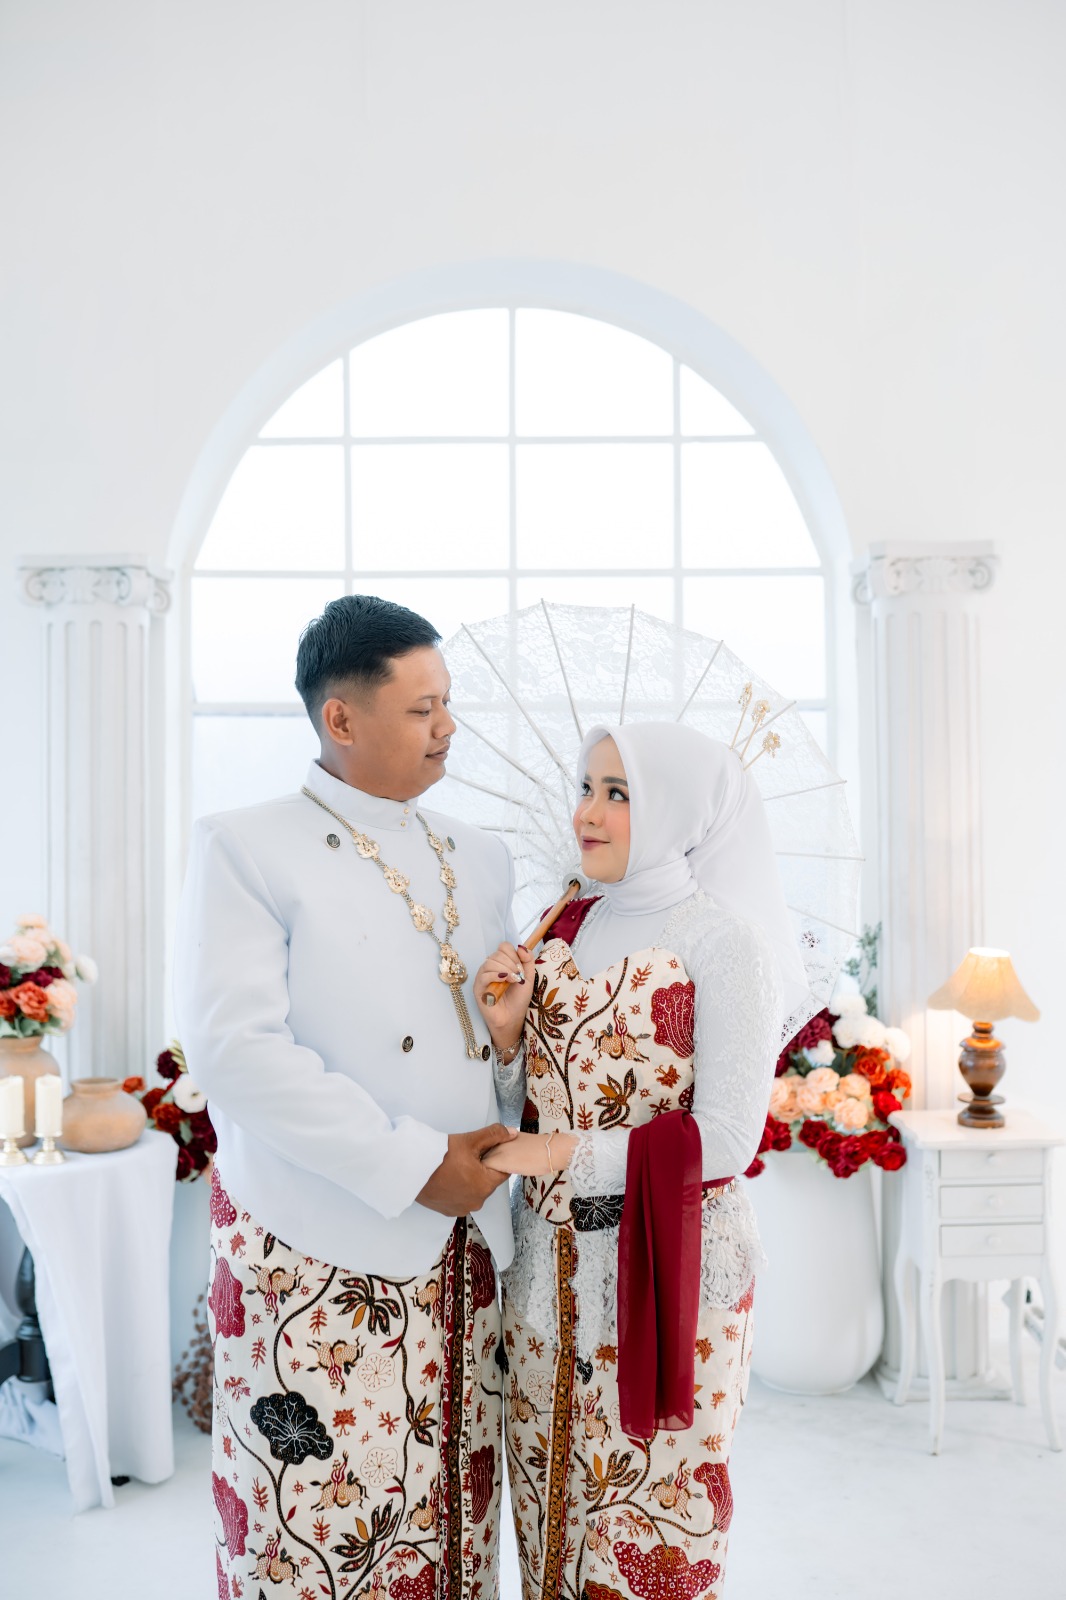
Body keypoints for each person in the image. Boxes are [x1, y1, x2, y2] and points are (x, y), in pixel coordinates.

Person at [174, 595, 524, 1600]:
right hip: (315, 1249)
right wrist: (415, 1164)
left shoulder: (482, 855)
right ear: (340, 717)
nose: (448, 726)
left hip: (466, 1245)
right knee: (319, 1535)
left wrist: (508, 1045)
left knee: (450, 1527)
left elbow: (492, 1050)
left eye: (447, 702)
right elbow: (237, 1051)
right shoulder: (244, 845)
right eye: (421, 709)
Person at [473, 721, 810, 1600]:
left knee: (651, 1523)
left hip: (668, 1268)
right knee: (547, 1505)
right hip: (546, 1270)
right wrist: (506, 1038)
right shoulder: (562, 924)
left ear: (675, 810)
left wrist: (562, 1153)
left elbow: (729, 1136)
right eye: (586, 787)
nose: (587, 813)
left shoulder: (723, 943)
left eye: (618, 794)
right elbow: (522, 1105)